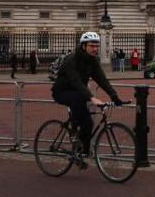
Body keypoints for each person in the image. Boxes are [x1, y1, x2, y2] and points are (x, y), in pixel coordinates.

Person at [52, 31, 123, 161]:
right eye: (91, 46)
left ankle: (82, 153)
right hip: (61, 92)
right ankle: (74, 132)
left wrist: (115, 97)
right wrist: (91, 98)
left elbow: (102, 80)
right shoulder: (71, 60)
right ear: (83, 46)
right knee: (78, 101)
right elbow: (76, 82)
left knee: (88, 124)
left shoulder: (93, 61)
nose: (95, 49)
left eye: (96, 46)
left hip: (79, 93)